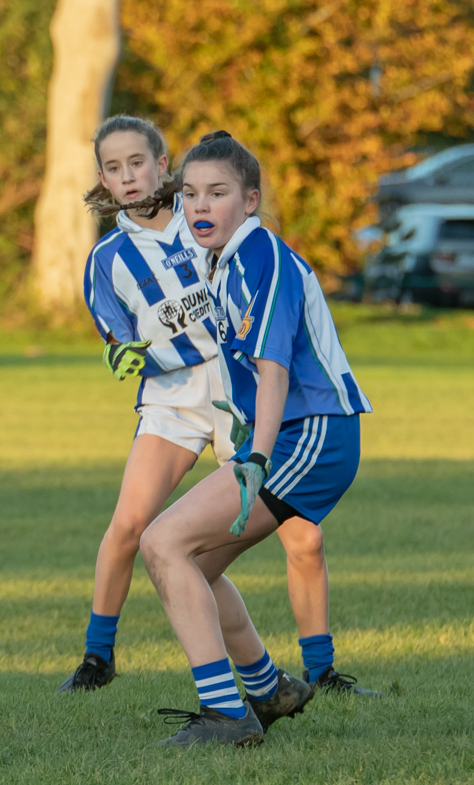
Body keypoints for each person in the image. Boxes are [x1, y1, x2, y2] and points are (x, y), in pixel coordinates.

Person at [60, 116, 378, 701]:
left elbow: (273, 357)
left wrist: (256, 449)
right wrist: (125, 357)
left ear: (163, 165)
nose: (128, 177)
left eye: (139, 162)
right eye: (113, 167)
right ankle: (104, 658)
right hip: (181, 402)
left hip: (265, 411)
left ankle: (290, 682)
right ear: (102, 179)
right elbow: (117, 343)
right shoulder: (115, 259)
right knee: (151, 537)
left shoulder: (227, 237)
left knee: (275, 539)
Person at [136, 130, 374, 746]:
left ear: (250, 200)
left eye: (218, 192)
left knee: (162, 542)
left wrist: (254, 460)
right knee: (192, 565)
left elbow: (275, 370)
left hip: (310, 435)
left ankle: (227, 716)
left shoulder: (261, 255)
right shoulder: (225, 260)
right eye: (190, 194)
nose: (200, 206)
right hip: (290, 436)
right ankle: (270, 690)